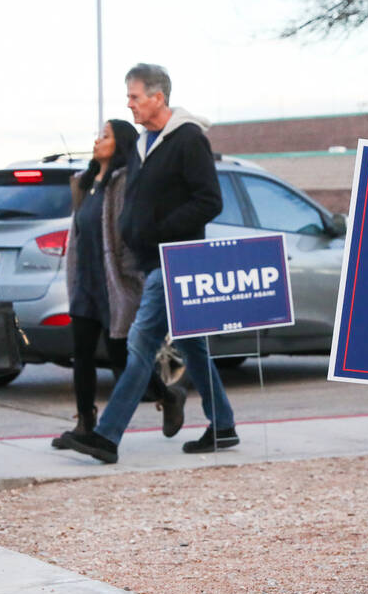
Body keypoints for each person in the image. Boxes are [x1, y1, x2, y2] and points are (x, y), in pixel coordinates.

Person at [61, 63, 238, 464]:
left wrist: (161, 231)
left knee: (140, 345)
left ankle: (106, 436)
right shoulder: (144, 143)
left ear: (158, 97)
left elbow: (209, 200)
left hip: (176, 260)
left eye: (135, 97)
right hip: (151, 260)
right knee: (192, 345)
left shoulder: (188, 140)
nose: (130, 105)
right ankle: (223, 425)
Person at [51, 119, 186, 447]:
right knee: (81, 354)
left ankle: (168, 396)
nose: (98, 140)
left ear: (121, 143)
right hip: (86, 283)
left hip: (116, 285)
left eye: (106, 136)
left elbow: (130, 231)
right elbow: (80, 234)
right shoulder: (86, 184)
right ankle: (85, 423)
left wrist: (131, 273)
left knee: (122, 359)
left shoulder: (125, 182)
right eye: (98, 134)